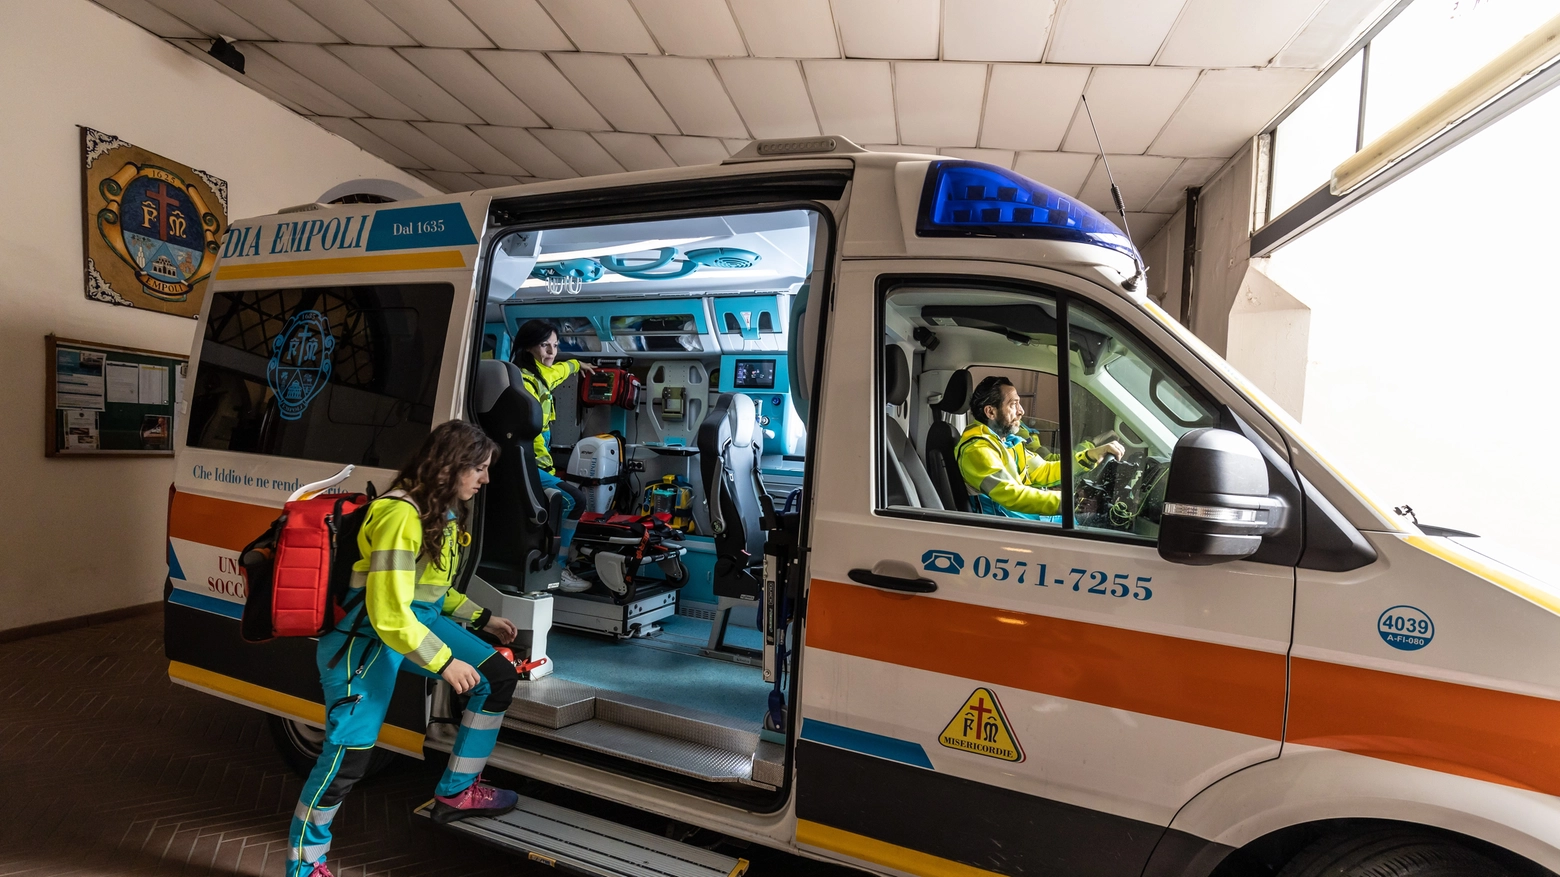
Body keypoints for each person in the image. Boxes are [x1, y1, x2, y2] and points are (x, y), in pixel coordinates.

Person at [288, 420, 522, 877]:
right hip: (363, 643)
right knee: (346, 761)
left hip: (411, 626)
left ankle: (456, 790)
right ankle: (304, 865)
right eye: (479, 468)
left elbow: (431, 592)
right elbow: (387, 611)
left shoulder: (440, 513)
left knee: (497, 678)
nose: (485, 478)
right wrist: (445, 662)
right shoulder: (400, 516)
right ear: (450, 466)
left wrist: (483, 618)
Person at [956, 375, 1125, 519]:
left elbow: (1044, 470)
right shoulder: (977, 449)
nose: (1021, 411)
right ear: (990, 412)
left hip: (1021, 518)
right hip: (1008, 526)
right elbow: (1011, 495)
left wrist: (1090, 456)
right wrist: (1070, 502)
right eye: (1013, 404)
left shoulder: (1006, 442)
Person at [513, 319, 596, 589]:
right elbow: (555, 372)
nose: (551, 352)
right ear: (528, 348)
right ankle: (558, 568)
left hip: (539, 464)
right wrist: (572, 365)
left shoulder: (542, 375)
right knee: (575, 499)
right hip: (526, 463)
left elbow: (560, 369)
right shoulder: (523, 381)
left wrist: (577, 365)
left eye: (555, 345)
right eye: (544, 345)